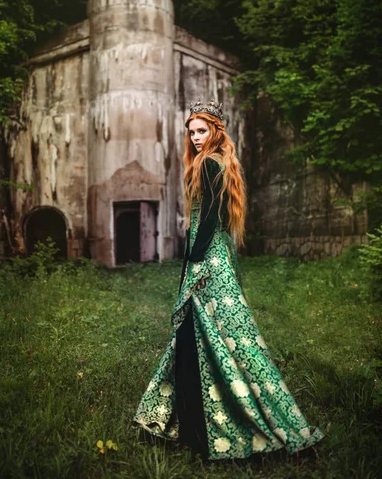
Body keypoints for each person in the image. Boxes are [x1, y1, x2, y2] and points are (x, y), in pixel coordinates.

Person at [134, 97, 324, 460]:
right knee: (224, 338)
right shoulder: (222, 162)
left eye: (202, 131)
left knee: (211, 336)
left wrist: (194, 260)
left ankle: (205, 428)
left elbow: (208, 217)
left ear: (216, 131)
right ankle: (197, 423)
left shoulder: (208, 163)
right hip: (219, 256)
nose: (195, 138)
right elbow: (216, 217)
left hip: (207, 259)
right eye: (191, 132)